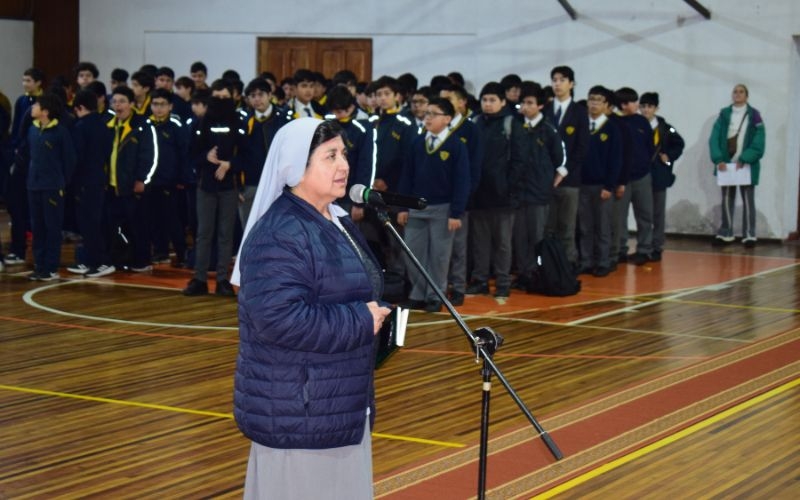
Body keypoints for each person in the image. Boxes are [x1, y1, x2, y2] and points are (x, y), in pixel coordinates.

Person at [231, 118, 391, 500]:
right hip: (298, 411)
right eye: (330, 156)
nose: (344, 166)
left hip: (334, 401)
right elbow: (279, 318)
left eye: (344, 155)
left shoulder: (334, 221)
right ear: (294, 167)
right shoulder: (281, 233)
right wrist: (361, 320)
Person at [397, 97, 470, 313]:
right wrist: (402, 206)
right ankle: (417, 294)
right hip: (416, 207)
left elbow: (462, 181)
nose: (427, 118)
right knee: (413, 253)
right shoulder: (417, 143)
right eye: (426, 114)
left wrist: (456, 212)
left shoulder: (456, 146)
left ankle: (435, 296)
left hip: (443, 208)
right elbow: (406, 176)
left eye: (433, 114)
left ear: (447, 119)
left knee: (439, 256)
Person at [182, 79, 245, 297]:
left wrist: (230, 165)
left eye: (224, 98)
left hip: (229, 186)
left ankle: (222, 280)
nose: (220, 102)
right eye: (216, 97)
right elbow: (191, 155)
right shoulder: (200, 122)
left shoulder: (239, 120)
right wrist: (205, 157)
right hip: (205, 185)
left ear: (233, 97)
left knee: (225, 234)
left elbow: (248, 155)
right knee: (203, 233)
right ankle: (199, 279)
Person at [468, 82, 524, 298]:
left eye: (492, 100)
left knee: (502, 243)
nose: (488, 104)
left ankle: (502, 282)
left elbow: (519, 161)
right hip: (479, 195)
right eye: (484, 100)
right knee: (480, 242)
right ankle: (480, 280)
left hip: (503, 196)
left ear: (502, 102)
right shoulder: (475, 123)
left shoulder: (511, 124)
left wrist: (509, 187)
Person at [511, 81, 565, 291]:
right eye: (523, 102)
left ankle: (538, 273)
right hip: (518, 193)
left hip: (539, 194)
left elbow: (560, 158)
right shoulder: (516, 126)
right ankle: (524, 273)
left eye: (530, 103)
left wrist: (548, 181)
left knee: (537, 237)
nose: (525, 107)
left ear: (540, 105)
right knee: (520, 237)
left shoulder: (549, 129)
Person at [543, 65, 589, 269]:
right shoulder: (545, 111)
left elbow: (581, 147)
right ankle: (547, 265)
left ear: (571, 84)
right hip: (546, 179)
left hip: (569, 179)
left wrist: (563, 169)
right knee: (547, 227)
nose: (557, 84)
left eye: (562, 80)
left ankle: (568, 266)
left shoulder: (579, 112)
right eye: (554, 79)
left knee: (567, 227)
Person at [708, 84, 765, 248]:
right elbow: (714, 138)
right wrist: (718, 159)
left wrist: (746, 158)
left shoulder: (755, 115)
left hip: (746, 164)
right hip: (726, 164)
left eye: (741, 92)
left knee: (748, 199)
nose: (737, 94)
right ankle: (726, 233)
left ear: (747, 96)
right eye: (735, 91)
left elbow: (759, 140)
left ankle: (749, 235)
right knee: (726, 198)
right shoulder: (724, 114)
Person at [27, 93, 76, 281]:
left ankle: (51, 266)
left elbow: (70, 160)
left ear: (45, 111)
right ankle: (39, 265)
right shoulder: (32, 130)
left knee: (52, 227)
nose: (33, 108)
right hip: (33, 185)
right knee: (37, 226)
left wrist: (60, 180)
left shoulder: (60, 132)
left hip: (53, 187)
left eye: (37, 105)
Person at [67, 89, 114, 278]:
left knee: (89, 223)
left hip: (85, 180)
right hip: (99, 178)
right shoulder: (104, 125)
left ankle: (101, 261)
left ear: (79, 107)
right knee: (92, 221)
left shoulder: (81, 127)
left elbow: (76, 157)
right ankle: (89, 260)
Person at [578, 86, 622, 277]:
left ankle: (603, 261)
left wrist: (609, 185)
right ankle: (586, 260)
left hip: (602, 186)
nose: (594, 104)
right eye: (591, 99)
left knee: (603, 226)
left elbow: (616, 159)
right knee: (585, 226)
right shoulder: (582, 125)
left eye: (598, 100)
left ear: (606, 105)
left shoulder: (612, 128)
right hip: (582, 184)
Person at [639, 92, 685, 261]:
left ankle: (657, 246)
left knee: (657, 213)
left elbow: (679, 143)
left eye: (649, 106)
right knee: (643, 213)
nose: (645, 110)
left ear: (656, 108)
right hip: (640, 175)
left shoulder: (666, 127)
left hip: (659, 174)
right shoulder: (637, 126)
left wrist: (669, 156)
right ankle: (643, 246)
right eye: (643, 106)